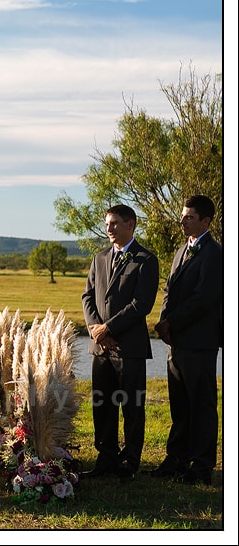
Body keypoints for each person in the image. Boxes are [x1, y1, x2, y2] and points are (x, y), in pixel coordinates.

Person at [80, 204, 159, 482]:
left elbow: (142, 304)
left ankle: (130, 461)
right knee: (102, 404)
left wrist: (109, 328)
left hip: (130, 348)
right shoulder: (100, 258)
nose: (109, 229)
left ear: (131, 224)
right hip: (100, 347)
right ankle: (106, 458)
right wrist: (95, 329)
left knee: (132, 406)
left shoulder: (146, 260)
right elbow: (87, 296)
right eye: (106, 224)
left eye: (114, 223)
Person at [151, 195, 223, 486]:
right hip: (177, 340)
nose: (182, 220)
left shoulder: (215, 254)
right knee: (179, 403)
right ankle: (176, 458)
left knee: (201, 404)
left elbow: (204, 299)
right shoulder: (182, 250)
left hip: (199, 340)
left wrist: (172, 322)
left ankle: (202, 465)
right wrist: (164, 321)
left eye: (189, 217)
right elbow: (169, 290)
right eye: (183, 215)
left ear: (205, 221)